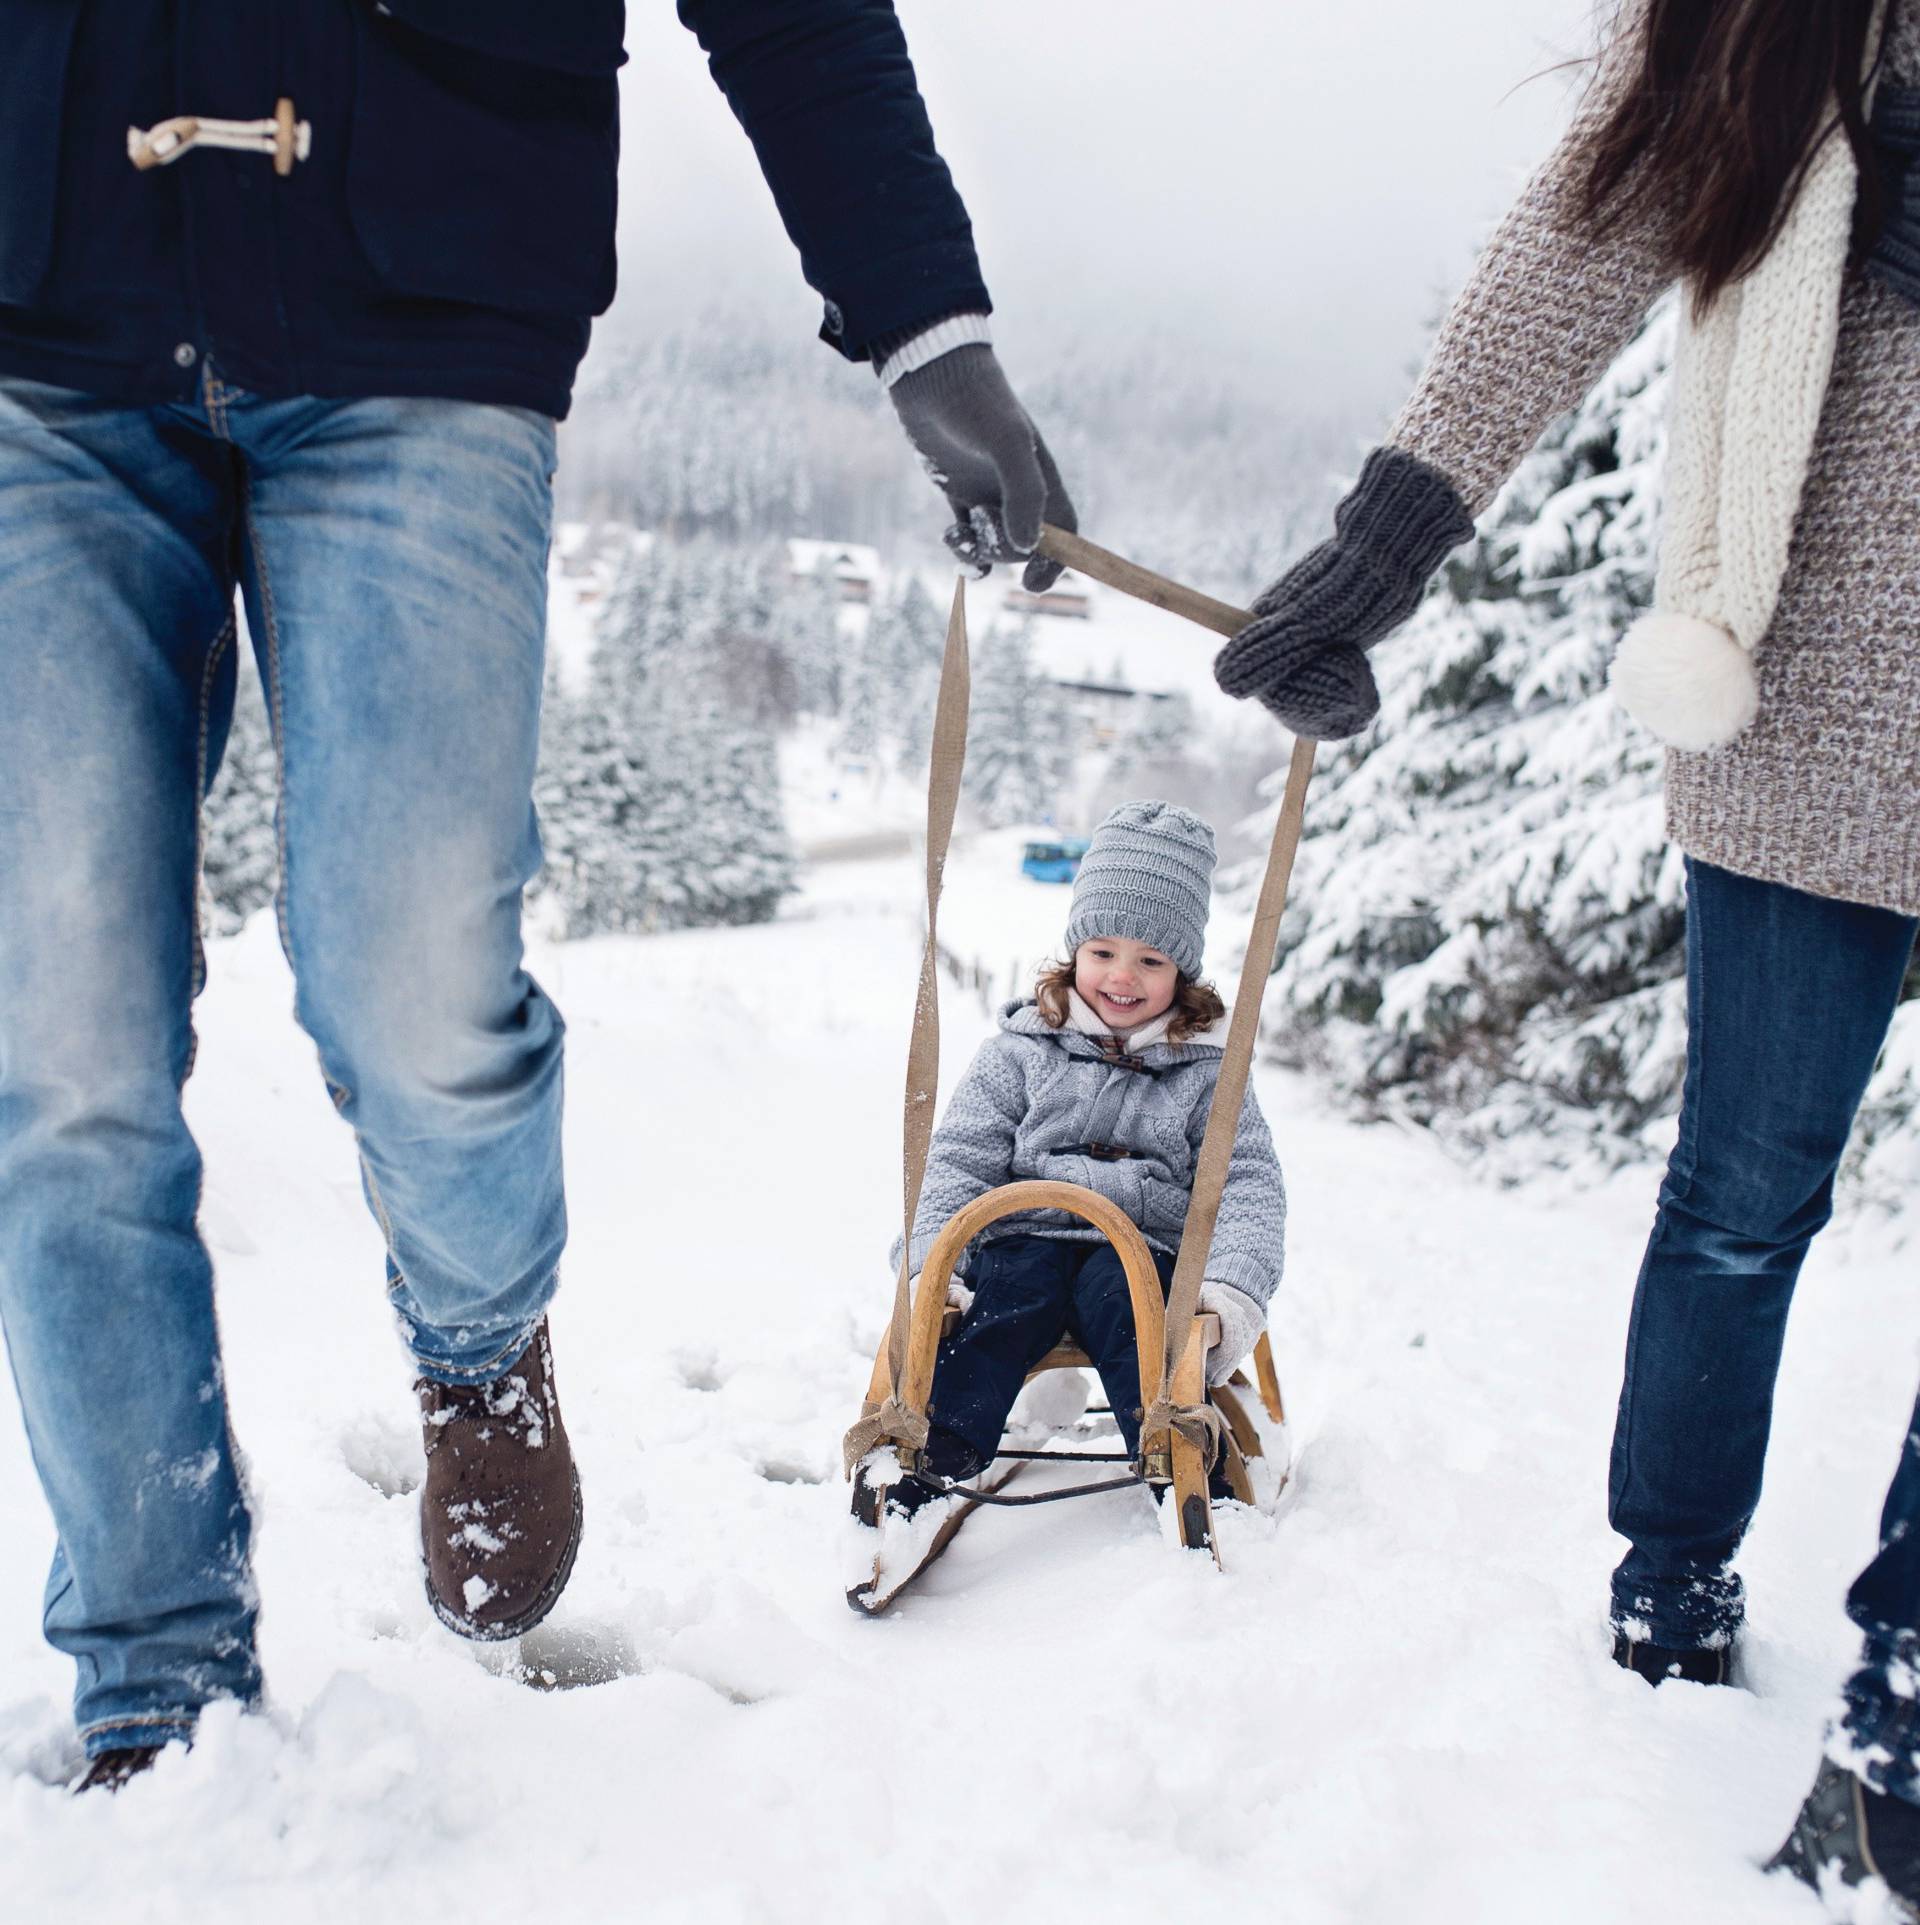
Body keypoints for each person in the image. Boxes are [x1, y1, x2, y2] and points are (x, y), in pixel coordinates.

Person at [0, 0, 1073, 1792]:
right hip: (40, 310)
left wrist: (923, 322)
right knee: (52, 1049)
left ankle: (480, 1349)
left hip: (415, 288)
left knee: (409, 978)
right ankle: (152, 1665)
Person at [1209, 0, 1920, 1909]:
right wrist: (1387, 540)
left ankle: (1908, 1689)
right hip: (1825, 700)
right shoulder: (1789, 20)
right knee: (1745, 1197)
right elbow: (1578, 240)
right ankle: (1670, 1583)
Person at [882, 802, 1285, 1517]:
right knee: (1008, 1300)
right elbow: (961, 1157)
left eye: (1150, 959)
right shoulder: (1021, 1049)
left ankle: (1171, 1450)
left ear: (1182, 970)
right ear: (1074, 953)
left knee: (1132, 1310)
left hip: (1142, 1247)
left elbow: (1248, 1186)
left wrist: (1227, 1295)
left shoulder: (1208, 1074)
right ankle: (943, 1448)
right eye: (1103, 952)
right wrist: (932, 1260)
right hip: (1024, 1232)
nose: (1121, 977)